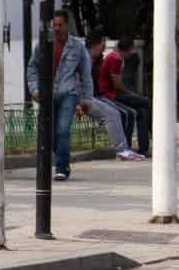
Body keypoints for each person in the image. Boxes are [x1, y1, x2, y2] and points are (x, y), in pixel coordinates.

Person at [27, 11, 93, 180]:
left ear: (66, 25)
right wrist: (34, 89)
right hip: (47, 94)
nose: (56, 28)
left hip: (68, 93)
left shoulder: (77, 47)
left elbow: (86, 74)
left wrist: (86, 99)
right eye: (54, 25)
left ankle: (61, 168)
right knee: (50, 133)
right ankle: (64, 159)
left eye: (60, 25)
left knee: (63, 130)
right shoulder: (43, 44)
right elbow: (32, 68)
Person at [83, 36, 143, 161]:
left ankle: (126, 149)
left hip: (95, 96)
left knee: (123, 112)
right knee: (119, 113)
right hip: (91, 96)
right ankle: (124, 150)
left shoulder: (98, 59)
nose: (104, 47)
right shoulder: (88, 58)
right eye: (103, 44)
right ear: (96, 45)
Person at [96, 36, 151, 155]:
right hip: (110, 95)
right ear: (128, 49)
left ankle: (143, 148)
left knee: (141, 110)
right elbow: (117, 85)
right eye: (131, 50)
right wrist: (130, 93)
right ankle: (139, 144)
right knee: (146, 102)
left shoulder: (115, 57)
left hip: (115, 93)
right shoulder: (115, 59)